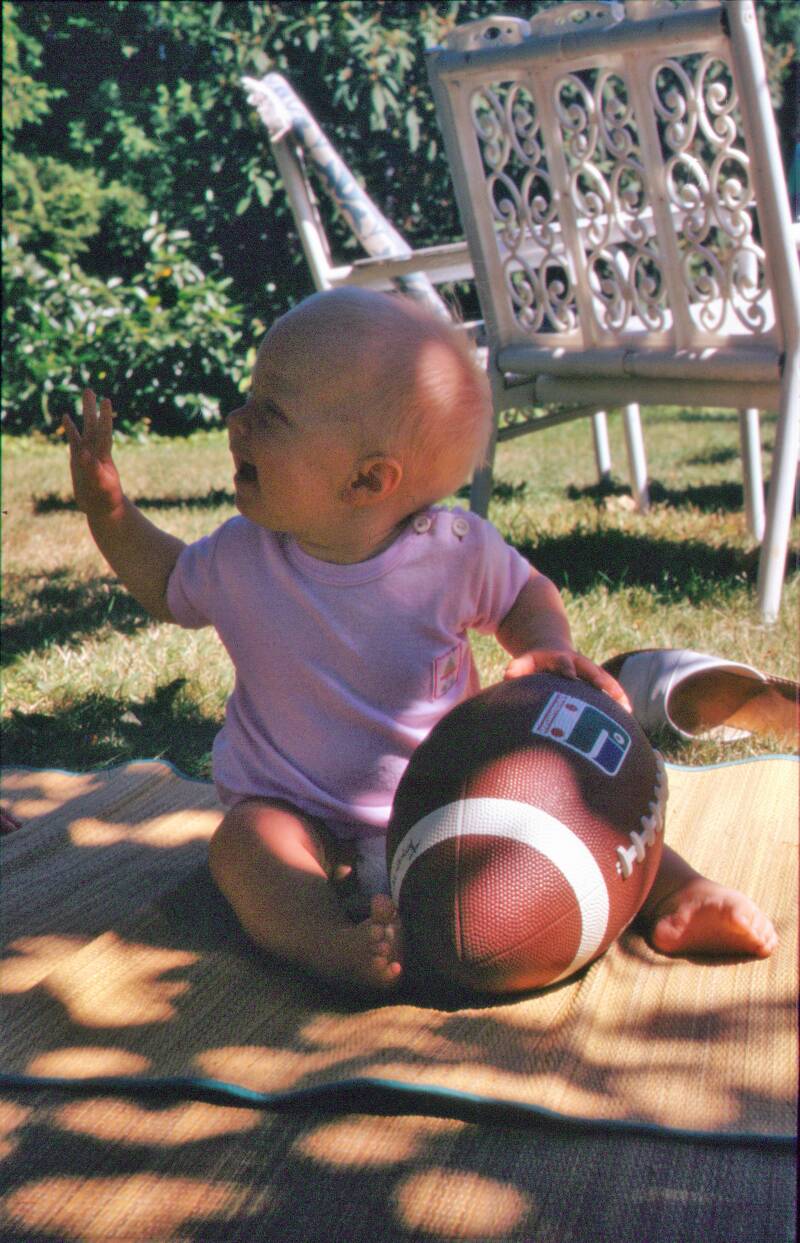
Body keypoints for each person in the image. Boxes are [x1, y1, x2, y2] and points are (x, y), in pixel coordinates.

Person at [64, 288, 777, 993]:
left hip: (455, 793)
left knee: (575, 807)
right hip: (296, 812)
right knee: (244, 847)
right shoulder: (240, 555)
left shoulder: (454, 552)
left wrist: (541, 643)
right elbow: (165, 581)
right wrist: (109, 509)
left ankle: (674, 888)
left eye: (269, 414)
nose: (235, 422)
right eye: (249, 401)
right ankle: (328, 940)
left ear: (367, 479)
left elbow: (523, 594)